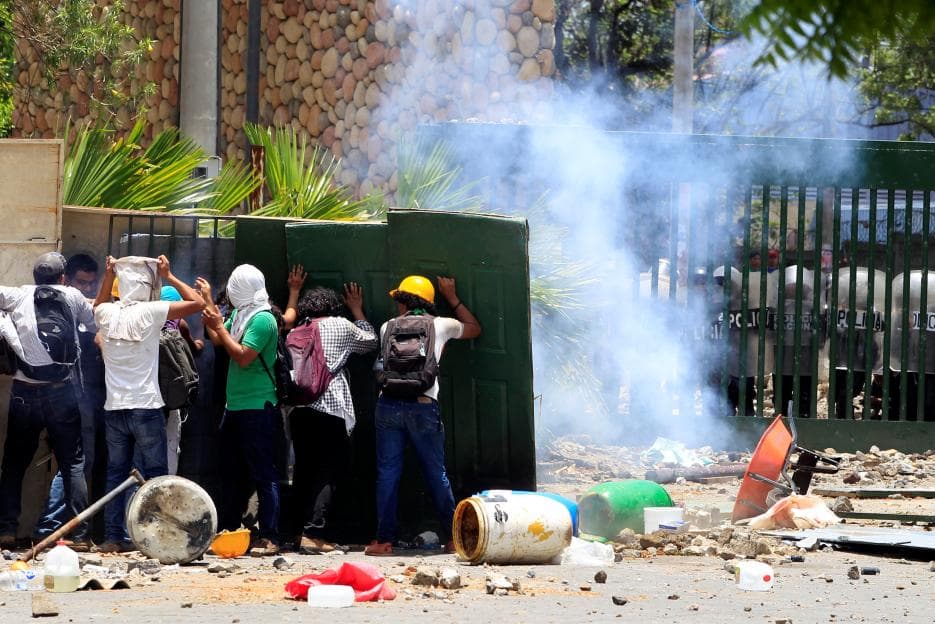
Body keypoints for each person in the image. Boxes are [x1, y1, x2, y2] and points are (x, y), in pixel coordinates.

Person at [93, 255, 204, 553]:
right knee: (156, 475)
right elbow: (198, 304)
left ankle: (114, 538)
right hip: (146, 406)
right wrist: (169, 276)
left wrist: (108, 275)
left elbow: (98, 303)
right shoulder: (152, 311)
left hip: (114, 408)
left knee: (116, 474)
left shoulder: (105, 313)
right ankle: (156, 539)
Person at [365, 275, 480, 556]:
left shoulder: (386, 327)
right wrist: (452, 297)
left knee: (388, 474)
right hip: (423, 405)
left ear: (403, 302)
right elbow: (475, 329)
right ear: (428, 301)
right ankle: (454, 539)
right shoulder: (441, 324)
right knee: (436, 473)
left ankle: (383, 541)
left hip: (388, 405)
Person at [0, 252, 93, 549]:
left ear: (34, 276)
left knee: (14, 465)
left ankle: (6, 530)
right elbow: (92, 326)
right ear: (63, 277)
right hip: (61, 391)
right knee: (73, 464)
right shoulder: (74, 297)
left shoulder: (17, 295)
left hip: (24, 392)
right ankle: (78, 535)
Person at [287, 277, 378, 553]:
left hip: (299, 408)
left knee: (303, 470)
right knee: (329, 470)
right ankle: (314, 533)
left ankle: (294, 531)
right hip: (330, 407)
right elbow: (370, 342)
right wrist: (357, 310)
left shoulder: (296, 331)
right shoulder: (340, 325)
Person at [200, 265, 282, 557]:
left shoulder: (262, 319)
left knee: (264, 473)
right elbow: (217, 339)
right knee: (231, 471)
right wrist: (210, 308)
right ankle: (232, 529)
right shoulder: (240, 315)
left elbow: (243, 356)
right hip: (234, 405)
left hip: (258, 406)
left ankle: (271, 536)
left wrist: (219, 325)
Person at [35, 254, 106, 542]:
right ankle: (51, 528)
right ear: (66, 279)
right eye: (81, 283)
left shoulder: (74, 305)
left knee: (77, 464)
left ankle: (51, 529)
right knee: (76, 464)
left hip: (80, 397)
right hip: (72, 398)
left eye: (91, 284)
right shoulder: (69, 306)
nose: (86, 289)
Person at [159, 286, 204, 475]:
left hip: (147, 398)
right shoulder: (180, 324)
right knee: (170, 444)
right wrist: (200, 341)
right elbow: (196, 349)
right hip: (172, 398)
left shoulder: (147, 321)